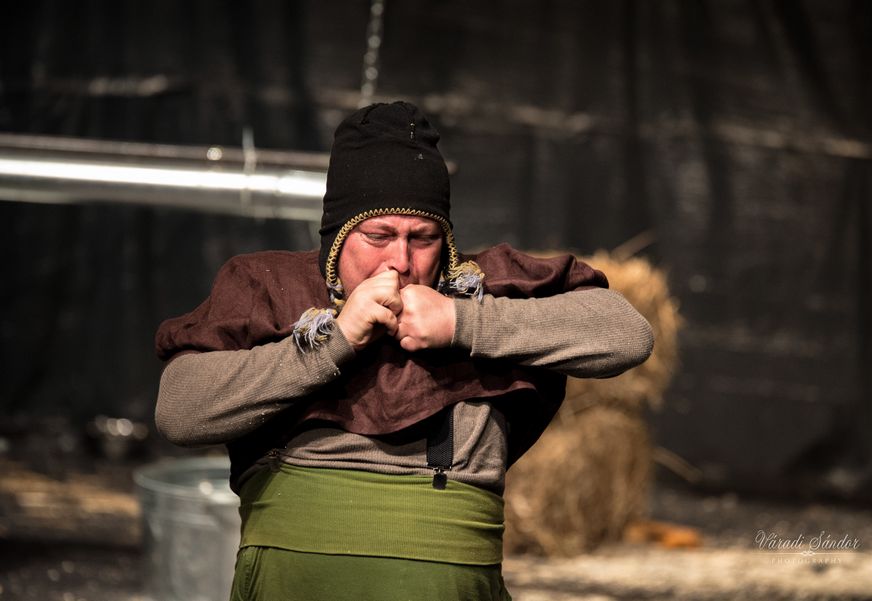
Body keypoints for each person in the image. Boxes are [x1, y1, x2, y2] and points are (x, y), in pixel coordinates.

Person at [154, 101, 654, 601]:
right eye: (378, 236)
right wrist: (332, 342)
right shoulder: (267, 287)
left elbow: (627, 335)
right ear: (337, 236)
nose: (400, 260)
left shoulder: (480, 288)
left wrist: (462, 322)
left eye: (424, 238)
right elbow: (179, 411)